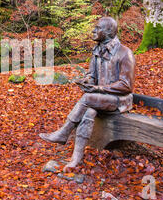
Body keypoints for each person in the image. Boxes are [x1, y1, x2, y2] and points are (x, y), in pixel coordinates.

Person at [39, 17, 136, 172]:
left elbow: (126, 85)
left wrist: (99, 89)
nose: (93, 31)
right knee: (89, 111)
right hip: (99, 99)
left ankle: (63, 132)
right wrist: (87, 81)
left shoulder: (125, 53)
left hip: (119, 101)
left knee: (87, 98)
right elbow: (92, 75)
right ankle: (76, 158)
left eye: (98, 28)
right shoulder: (97, 50)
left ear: (109, 31)